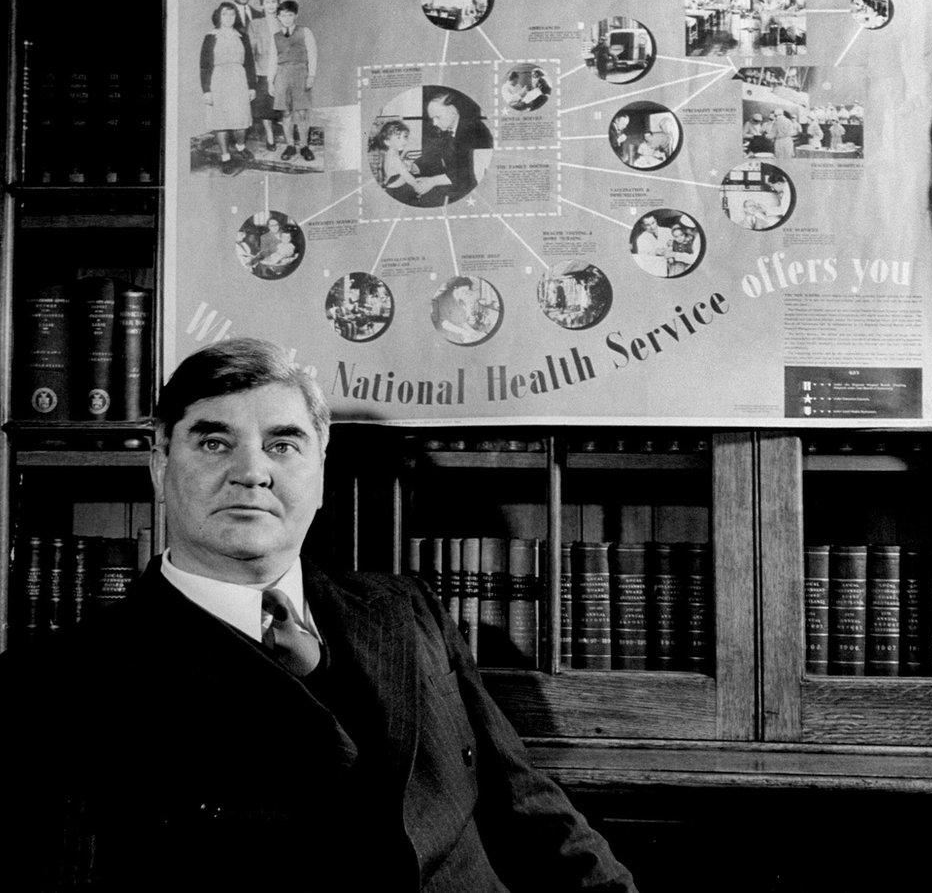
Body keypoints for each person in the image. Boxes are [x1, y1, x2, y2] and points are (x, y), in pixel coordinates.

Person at [0, 338, 637, 892]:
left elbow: (532, 810)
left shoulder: (407, 609)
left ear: (320, 471)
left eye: (283, 444)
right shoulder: (56, 682)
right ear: (160, 463)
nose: (251, 472)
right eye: (215, 441)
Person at [200, 1, 257, 176]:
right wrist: (207, 90)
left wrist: (252, 86)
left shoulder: (242, 36)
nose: (229, 17)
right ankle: (225, 157)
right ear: (218, 16)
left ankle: (240, 146)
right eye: (225, 14)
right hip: (218, 81)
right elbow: (204, 65)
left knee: (241, 120)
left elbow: (249, 63)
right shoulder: (211, 37)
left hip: (239, 80)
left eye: (232, 14)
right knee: (221, 121)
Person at [412, 90, 494, 207]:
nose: (434, 123)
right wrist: (416, 166)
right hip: (457, 183)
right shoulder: (448, 130)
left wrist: (432, 181)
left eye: (437, 117)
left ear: (453, 111)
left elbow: (465, 173)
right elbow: (436, 155)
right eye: (432, 118)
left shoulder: (474, 130)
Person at [268, 0, 318, 163]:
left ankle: (304, 146)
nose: (287, 18)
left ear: (295, 15)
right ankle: (290, 145)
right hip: (282, 75)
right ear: (278, 17)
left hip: (300, 73)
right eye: (283, 15)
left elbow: (312, 54)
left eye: (290, 15)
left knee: (302, 112)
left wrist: (311, 75)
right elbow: (272, 60)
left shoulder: (305, 32)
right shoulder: (275, 37)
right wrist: (270, 81)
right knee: (286, 113)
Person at [248, 0, 283, 151]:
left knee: (285, 105)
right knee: (265, 108)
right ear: (262, 5)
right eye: (267, 2)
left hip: (283, 71)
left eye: (273, 1)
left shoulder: (285, 21)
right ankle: (270, 136)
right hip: (262, 70)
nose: (270, 5)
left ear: (278, 4)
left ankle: (288, 139)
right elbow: (251, 50)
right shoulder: (255, 24)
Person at [368, 119, 421, 203]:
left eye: (404, 137)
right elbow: (407, 176)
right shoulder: (393, 158)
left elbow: (399, 167)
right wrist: (418, 187)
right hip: (397, 192)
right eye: (398, 137)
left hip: (396, 188)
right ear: (387, 142)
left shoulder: (391, 153)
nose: (403, 140)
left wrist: (406, 162)